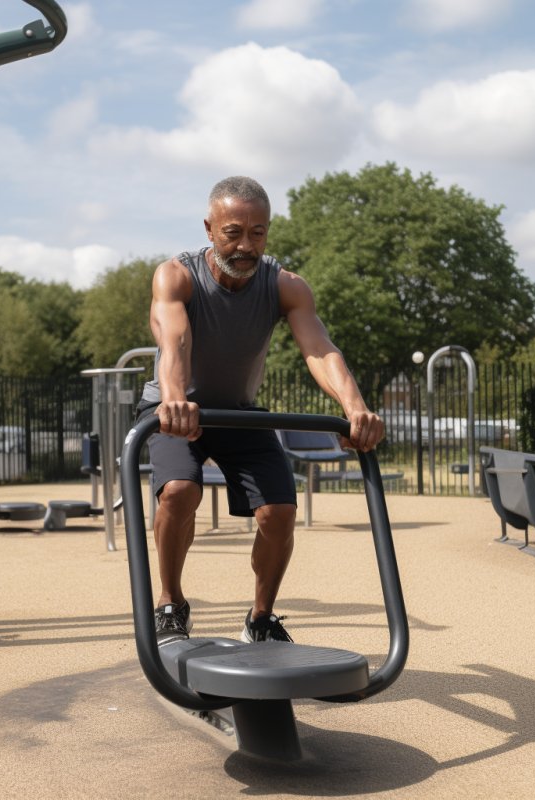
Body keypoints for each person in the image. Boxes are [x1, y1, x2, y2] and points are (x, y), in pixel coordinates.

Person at [135, 176, 384, 646]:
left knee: (279, 512)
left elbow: (320, 349)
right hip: (174, 409)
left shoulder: (286, 286)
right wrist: (174, 397)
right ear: (210, 228)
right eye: (233, 232)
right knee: (180, 492)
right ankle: (170, 602)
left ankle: (261, 617)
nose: (246, 245)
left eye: (258, 232)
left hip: (239, 412)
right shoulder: (177, 275)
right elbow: (175, 339)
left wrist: (355, 408)